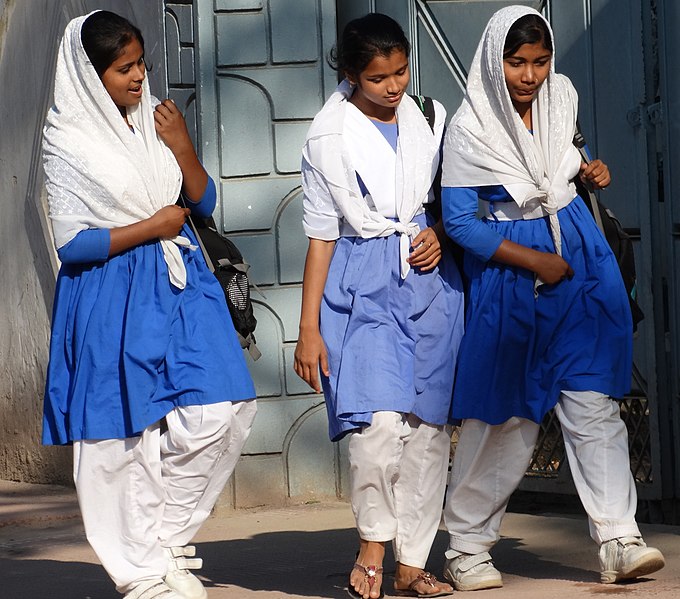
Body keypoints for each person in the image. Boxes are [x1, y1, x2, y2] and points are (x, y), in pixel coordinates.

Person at [439, 5, 665, 591]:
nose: (530, 76)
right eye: (517, 62)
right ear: (494, 61)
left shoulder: (561, 96)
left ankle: (620, 537)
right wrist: (534, 259)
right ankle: (466, 547)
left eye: (539, 62)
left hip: (580, 261)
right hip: (514, 273)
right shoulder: (470, 128)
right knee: (507, 418)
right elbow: (461, 224)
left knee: (593, 403)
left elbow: (561, 166)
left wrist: (588, 175)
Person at [42, 11, 257, 599]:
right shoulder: (68, 140)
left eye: (142, 64)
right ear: (90, 74)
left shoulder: (154, 118)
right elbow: (72, 242)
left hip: (182, 282)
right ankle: (137, 572)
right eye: (123, 68)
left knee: (226, 408)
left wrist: (182, 145)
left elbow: (203, 197)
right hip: (110, 290)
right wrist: (150, 226)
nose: (138, 77)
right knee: (120, 435)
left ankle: (159, 540)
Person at [294, 12, 464, 599]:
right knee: (377, 424)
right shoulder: (327, 138)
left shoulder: (427, 118)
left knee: (427, 428)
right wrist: (308, 327)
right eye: (378, 78)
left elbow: (451, 200)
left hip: (429, 278)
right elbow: (320, 235)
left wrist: (438, 231)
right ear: (349, 75)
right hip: (359, 280)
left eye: (400, 71)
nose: (394, 87)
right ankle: (372, 543)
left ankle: (412, 563)